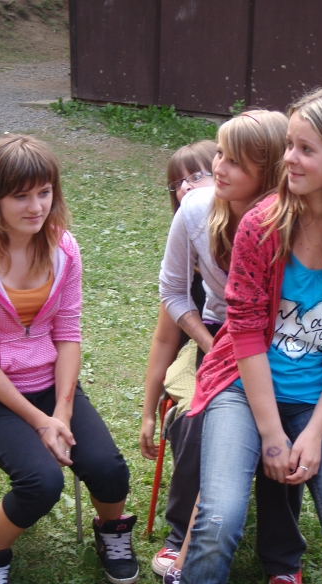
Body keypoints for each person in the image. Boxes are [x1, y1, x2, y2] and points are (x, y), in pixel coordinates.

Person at [167, 83, 322, 584]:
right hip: (242, 389)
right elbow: (244, 332)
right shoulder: (262, 225)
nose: (288, 158)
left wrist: (314, 432)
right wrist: (273, 434)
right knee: (217, 520)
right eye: (289, 144)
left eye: (305, 149)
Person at [0, 135, 139, 584]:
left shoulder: (64, 248)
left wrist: (62, 411)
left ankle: (111, 531)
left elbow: (68, 333)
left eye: (44, 192)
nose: (36, 207)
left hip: (51, 385)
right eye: (21, 195)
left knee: (109, 467)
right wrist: (39, 421)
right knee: (41, 482)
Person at [147, 111, 310, 584]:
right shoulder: (195, 211)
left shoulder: (294, 219)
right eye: (219, 153)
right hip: (218, 335)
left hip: (281, 342)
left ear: (270, 169)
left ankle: (282, 554)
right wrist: (210, 341)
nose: (218, 167)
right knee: (198, 428)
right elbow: (173, 292)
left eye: (235, 161)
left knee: (281, 428)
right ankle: (183, 537)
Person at [140, 140, 216, 465]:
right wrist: (147, 414)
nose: (185, 187)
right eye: (177, 183)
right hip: (200, 361)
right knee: (193, 419)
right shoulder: (182, 263)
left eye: (196, 176)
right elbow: (164, 339)